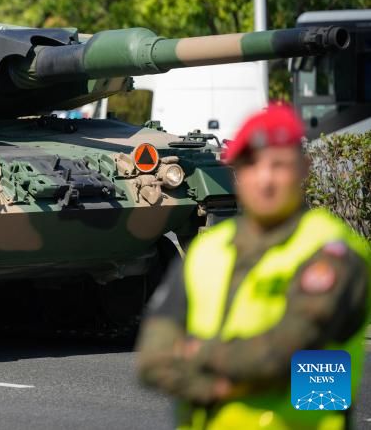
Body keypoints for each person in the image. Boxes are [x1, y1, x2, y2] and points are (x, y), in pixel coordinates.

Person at [136, 103, 370, 429]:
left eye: (279, 165)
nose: (265, 179)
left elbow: (285, 352)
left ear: (304, 168)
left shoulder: (331, 252)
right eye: (251, 165)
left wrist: (195, 356)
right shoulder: (209, 250)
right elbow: (152, 358)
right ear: (236, 172)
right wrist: (218, 385)